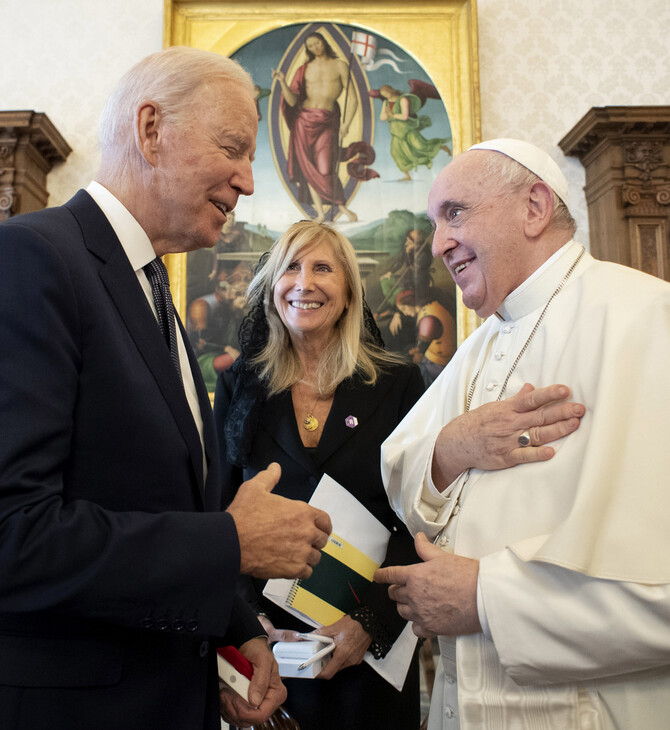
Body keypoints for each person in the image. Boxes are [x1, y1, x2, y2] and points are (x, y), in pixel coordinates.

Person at [0, 46, 333, 730]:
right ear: (151, 130)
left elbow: (152, 503)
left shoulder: (150, 287)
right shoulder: (34, 259)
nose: (246, 180)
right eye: (233, 147)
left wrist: (234, 627)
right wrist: (229, 546)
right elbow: (14, 534)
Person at [213, 220, 582, 729]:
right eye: (290, 268)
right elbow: (219, 512)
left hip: (372, 638)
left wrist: (371, 624)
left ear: (347, 292)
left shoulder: (398, 381)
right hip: (271, 652)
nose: (304, 282)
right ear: (272, 286)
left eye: (323, 267)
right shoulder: (239, 384)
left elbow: (424, 511)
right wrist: (247, 624)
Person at [375, 139, 670, 729]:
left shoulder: (648, 320)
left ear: (535, 207)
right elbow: (401, 471)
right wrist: (452, 447)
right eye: (435, 223)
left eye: (455, 213)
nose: (438, 244)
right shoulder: (483, 342)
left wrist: (485, 598)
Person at [272, 32, 358, 223]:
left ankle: (341, 206)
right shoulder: (304, 69)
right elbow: (293, 101)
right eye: (310, 46)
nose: (314, 48)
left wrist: (347, 123)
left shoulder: (340, 65)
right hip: (304, 120)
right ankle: (320, 213)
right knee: (307, 168)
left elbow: (352, 98)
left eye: (317, 43)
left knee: (325, 166)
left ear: (324, 43)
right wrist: (282, 82)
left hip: (327, 121)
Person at [378, 83, 450, 181]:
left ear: (390, 90)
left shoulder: (403, 100)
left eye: (386, 93)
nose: (385, 96)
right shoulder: (385, 103)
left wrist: (392, 115)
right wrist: (387, 115)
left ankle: (440, 146)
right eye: (383, 95)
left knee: (420, 146)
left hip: (407, 129)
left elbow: (405, 116)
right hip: (395, 131)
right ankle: (407, 175)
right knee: (396, 152)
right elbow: (382, 117)